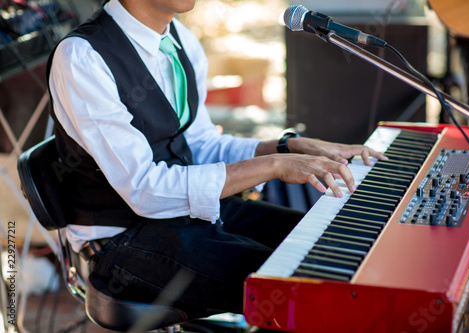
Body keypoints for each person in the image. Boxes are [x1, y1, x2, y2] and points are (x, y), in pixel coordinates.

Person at [47, 0, 386, 318]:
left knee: (330, 249)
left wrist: (286, 147)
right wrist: (274, 166)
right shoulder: (83, 57)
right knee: (299, 285)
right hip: (123, 238)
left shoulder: (180, 40)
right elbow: (145, 191)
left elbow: (200, 144)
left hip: (185, 212)